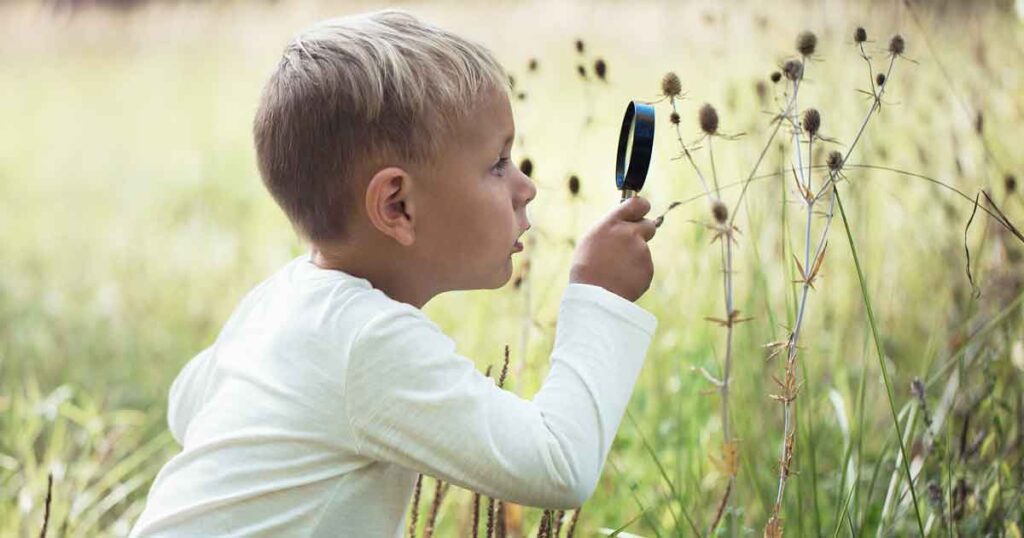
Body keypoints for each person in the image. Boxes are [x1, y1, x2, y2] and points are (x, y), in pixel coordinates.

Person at [130, 8, 658, 537]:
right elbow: (558, 464)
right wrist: (598, 296)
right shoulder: (370, 341)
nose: (526, 187)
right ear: (398, 206)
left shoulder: (280, 300)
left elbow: (186, 405)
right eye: (497, 164)